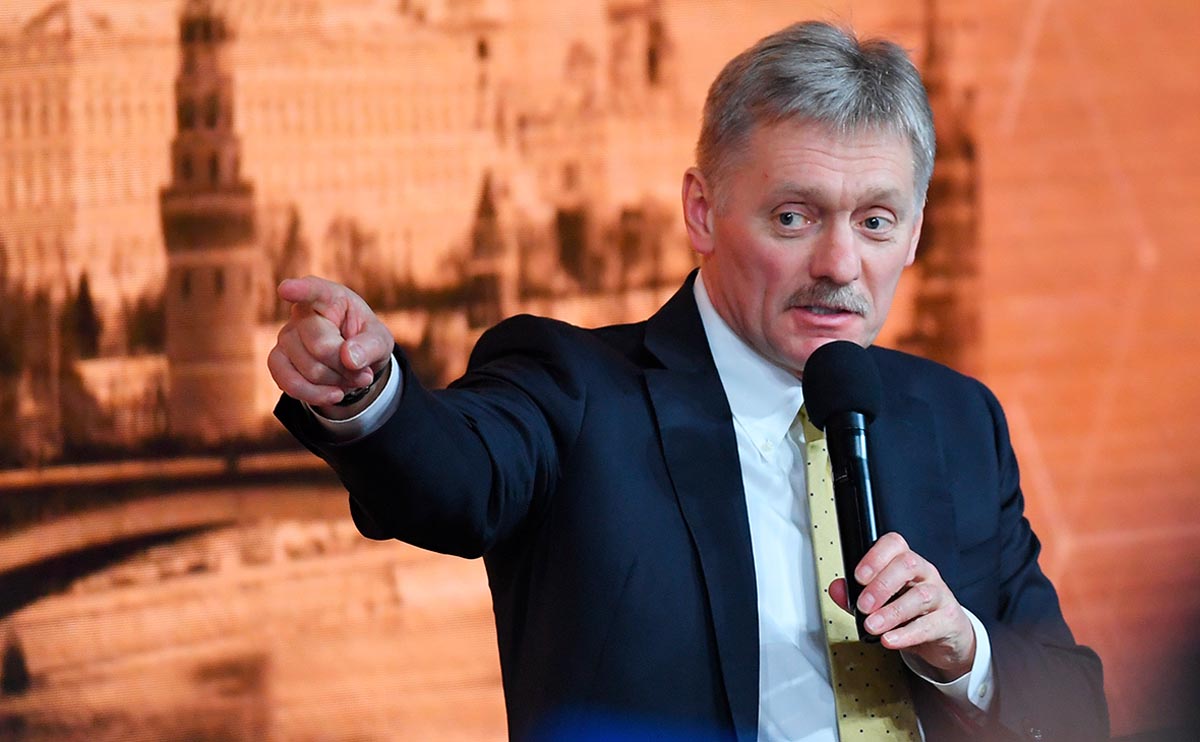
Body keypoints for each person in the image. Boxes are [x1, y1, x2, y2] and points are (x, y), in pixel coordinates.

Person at [269, 21, 1108, 742]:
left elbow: (1077, 708)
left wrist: (966, 655)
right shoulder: (577, 391)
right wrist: (368, 394)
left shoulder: (959, 419)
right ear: (702, 213)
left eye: (875, 222)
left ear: (915, 233)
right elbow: (446, 480)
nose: (840, 264)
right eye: (794, 217)